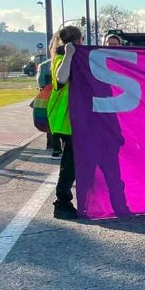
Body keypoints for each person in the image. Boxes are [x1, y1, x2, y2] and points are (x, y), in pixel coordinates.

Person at [49, 26, 84, 219]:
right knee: (69, 165)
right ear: (75, 42)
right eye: (81, 41)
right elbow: (61, 79)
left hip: (77, 120)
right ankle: (62, 203)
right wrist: (69, 55)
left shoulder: (76, 58)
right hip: (66, 121)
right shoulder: (61, 59)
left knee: (75, 163)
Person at [36, 54, 62, 157]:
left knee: (51, 120)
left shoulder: (44, 66)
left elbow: (40, 82)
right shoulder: (70, 62)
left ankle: (52, 145)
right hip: (64, 96)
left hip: (49, 97)